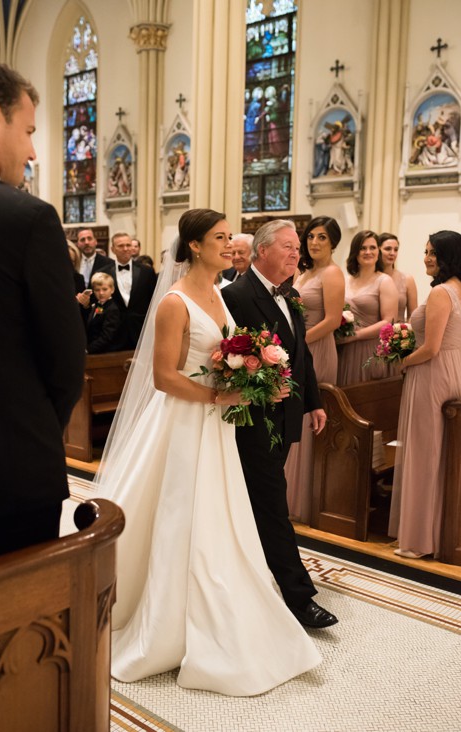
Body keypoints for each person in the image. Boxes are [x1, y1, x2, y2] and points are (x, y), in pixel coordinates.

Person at [94, 209, 320, 696]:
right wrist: (224, 395)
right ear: (195, 245)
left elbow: (226, 354)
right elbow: (164, 377)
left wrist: (254, 376)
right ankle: (164, 616)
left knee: (222, 513)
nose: (229, 244)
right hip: (183, 422)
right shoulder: (174, 303)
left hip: (218, 424)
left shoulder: (219, 294)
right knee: (179, 512)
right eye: (220, 238)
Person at [0, 56, 85, 560]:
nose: (33, 152)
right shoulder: (27, 217)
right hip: (13, 469)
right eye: (28, 131)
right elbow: (65, 359)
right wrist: (36, 425)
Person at [222, 219, 338, 630]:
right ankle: (298, 597)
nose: (296, 253)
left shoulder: (290, 294)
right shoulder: (234, 295)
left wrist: (313, 402)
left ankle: (254, 577)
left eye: (297, 248)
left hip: (285, 415)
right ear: (263, 251)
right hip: (251, 419)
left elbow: (299, 353)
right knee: (273, 504)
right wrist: (256, 387)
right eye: (288, 247)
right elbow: (220, 360)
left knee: (263, 500)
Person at [389, 231, 461, 559]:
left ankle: (419, 540)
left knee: (424, 452)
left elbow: (431, 348)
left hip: (431, 374)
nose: (427, 257)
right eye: (425, 251)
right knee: (441, 453)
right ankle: (437, 533)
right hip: (454, 368)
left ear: (449, 255)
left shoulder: (441, 294)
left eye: (434, 252)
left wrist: (403, 362)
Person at [284, 216, 345, 523]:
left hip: (317, 349)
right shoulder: (305, 272)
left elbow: (333, 320)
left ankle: (304, 501)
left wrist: (299, 343)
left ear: (333, 242)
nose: (315, 242)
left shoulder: (333, 273)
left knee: (311, 416)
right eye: (310, 237)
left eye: (322, 237)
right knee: (295, 412)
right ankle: (289, 494)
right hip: (299, 349)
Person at [336, 231, 399, 385]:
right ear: (355, 252)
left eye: (372, 247)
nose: (368, 252)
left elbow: (389, 321)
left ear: (378, 252)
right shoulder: (345, 280)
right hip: (346, 350)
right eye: (363, 248)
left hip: (372, 348)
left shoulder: (384, 281)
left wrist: (356, 335)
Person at [108, 231, 157, 351]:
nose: (125, 249)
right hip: (114, 333)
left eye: (128, 245)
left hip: (141, 331)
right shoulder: (104, 271)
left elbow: (154, 301)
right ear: (112, 249)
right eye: (120, 246)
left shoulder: (147, 271)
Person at [378, 232, 419, 321]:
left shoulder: (408, 280)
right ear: (378, 250)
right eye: (388, 249)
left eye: (396, 249)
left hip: (398, 332)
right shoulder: (372, 278)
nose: (392, 253)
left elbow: (412, 316)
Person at [83, 272, 122, 354]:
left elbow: (107, 337)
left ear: (112, 289)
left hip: (104, 353)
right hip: (94, 350)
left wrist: (88, 350)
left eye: (105, 289)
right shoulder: (98, 305)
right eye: (97, 290)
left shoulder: (112, 309)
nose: (101, 293)